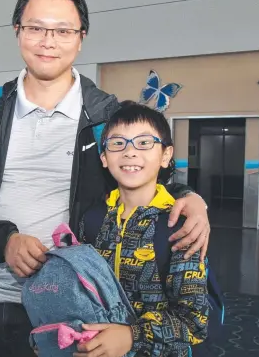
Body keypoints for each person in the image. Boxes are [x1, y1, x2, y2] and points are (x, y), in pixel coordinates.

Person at [0, 0, 211, 357]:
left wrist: (189, 197)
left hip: (73, 310)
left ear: (81, 38)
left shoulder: (105, 114)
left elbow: (142, 164)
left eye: (63, 31)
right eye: (36, 28)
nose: (48, 41)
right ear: (17, 31)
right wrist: (4, 241)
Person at [78, 102, 211, 357]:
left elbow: (194, 322)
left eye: (143, 142)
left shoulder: (179, 225)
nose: (130, 152)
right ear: (104, 157)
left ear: (165, 155)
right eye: (118, 143)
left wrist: (132, 336)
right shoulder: (92, 218)